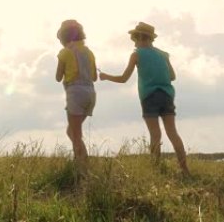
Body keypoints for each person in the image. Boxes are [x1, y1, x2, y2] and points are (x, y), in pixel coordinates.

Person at [99, 22, 190, 176]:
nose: (134, 42)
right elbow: (172, 76)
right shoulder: (163, 54)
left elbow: (123, 79)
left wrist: (105, 76)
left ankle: (157, 170)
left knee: (155, 135)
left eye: (134, 39)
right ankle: (185, 170)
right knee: (173, 133)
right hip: (167, 95)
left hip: (149, 96)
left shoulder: (136, 54)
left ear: (139, 37)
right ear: (151, 38)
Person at [55, 19, 97, 175]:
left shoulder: (65, 52)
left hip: (75, 92)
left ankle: (81, 170)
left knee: (76, 134)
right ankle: (82, 161)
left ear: (64, 37)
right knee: (72, 132)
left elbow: (58, 77)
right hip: (90, 93)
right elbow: (94, 77)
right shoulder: (89, 52)